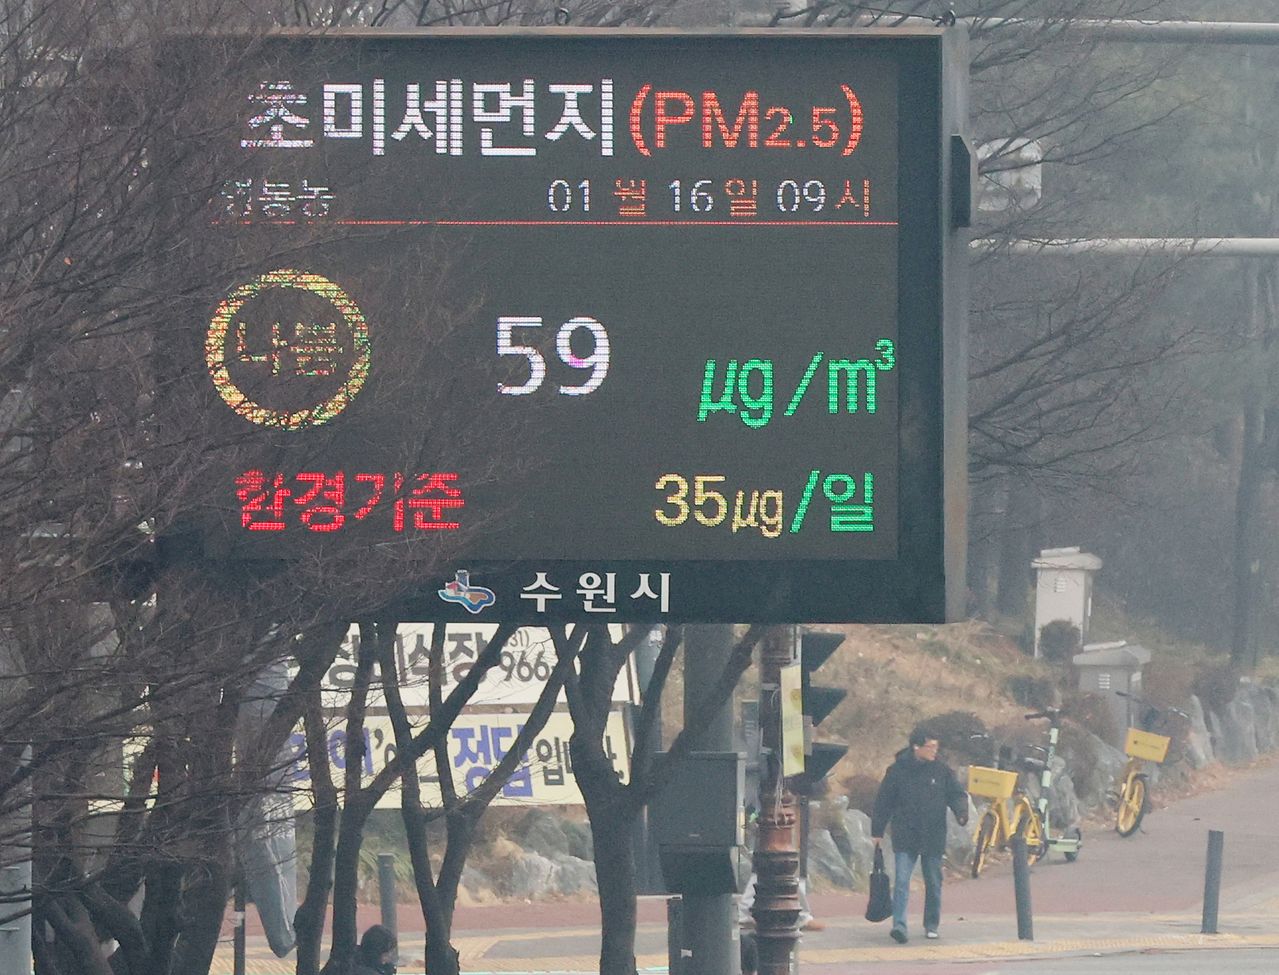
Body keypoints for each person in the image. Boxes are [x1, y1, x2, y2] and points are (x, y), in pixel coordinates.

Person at [870, 726, 968, 944]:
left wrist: (961, 812)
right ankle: (899, 925)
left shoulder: (942, 770)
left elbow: (956, 794)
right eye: (930, 746)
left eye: (936, 746)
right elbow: (883, 801)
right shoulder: (897, 770)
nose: (934, 751)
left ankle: (931, 924)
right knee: (902, 881)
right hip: (906, 834)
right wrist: (877, 830)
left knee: (933, 882)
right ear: (916, 747)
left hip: (933, 834)